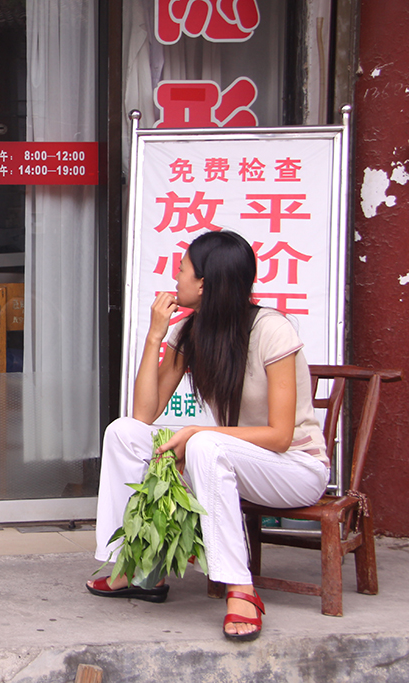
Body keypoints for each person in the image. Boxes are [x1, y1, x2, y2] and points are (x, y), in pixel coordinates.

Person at [87, 230, 329, 642]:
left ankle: (241, 588)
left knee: (203, 443)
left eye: (182, 270)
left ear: (204, 284)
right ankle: (137, 566)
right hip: (229, 458)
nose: (175, 279)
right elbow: (144, 415)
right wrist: (155, 335)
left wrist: (202, 432)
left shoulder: (272, 330)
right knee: (123, 433)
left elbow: (281, 436)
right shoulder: (192, 332)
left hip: (296, 470)